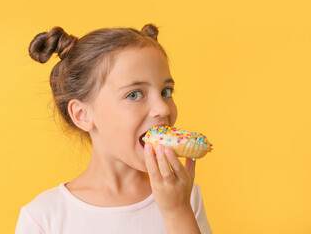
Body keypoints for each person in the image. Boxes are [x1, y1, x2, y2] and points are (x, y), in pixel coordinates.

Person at [15, 23, 213, 234]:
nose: (162, 108)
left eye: (166, 91)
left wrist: (177, 211)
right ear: (82, 115)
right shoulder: (44, 217)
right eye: (134, 94)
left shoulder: (185, 196)